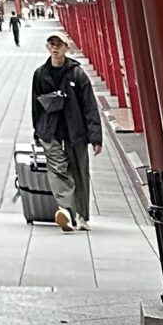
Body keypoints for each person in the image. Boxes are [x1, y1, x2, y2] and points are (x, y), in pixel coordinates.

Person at [32, 31, 103, 229]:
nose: (55, 48)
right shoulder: (40, 74)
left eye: (59, 44)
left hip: (76, 131)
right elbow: (35, 105)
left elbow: (89, 105)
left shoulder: (77, 74)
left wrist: (96, 137)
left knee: (80, 172)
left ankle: (82, 216)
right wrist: (38, 131)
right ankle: (67, 211)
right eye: (51, 44)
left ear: (66, 47)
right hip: (51, 131)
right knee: (58, 170)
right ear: (47, 47)